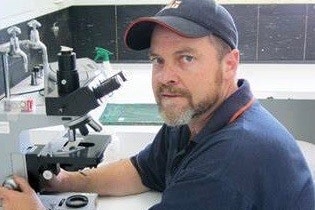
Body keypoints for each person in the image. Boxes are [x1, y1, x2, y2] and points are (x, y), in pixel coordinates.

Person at [0, 0, 314, 209]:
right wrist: (64, 183)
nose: (165, 77)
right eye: (157, 60)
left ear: (229, 64)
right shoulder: (197, 116)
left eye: (186, 58)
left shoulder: (229, 163)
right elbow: (143, 170)